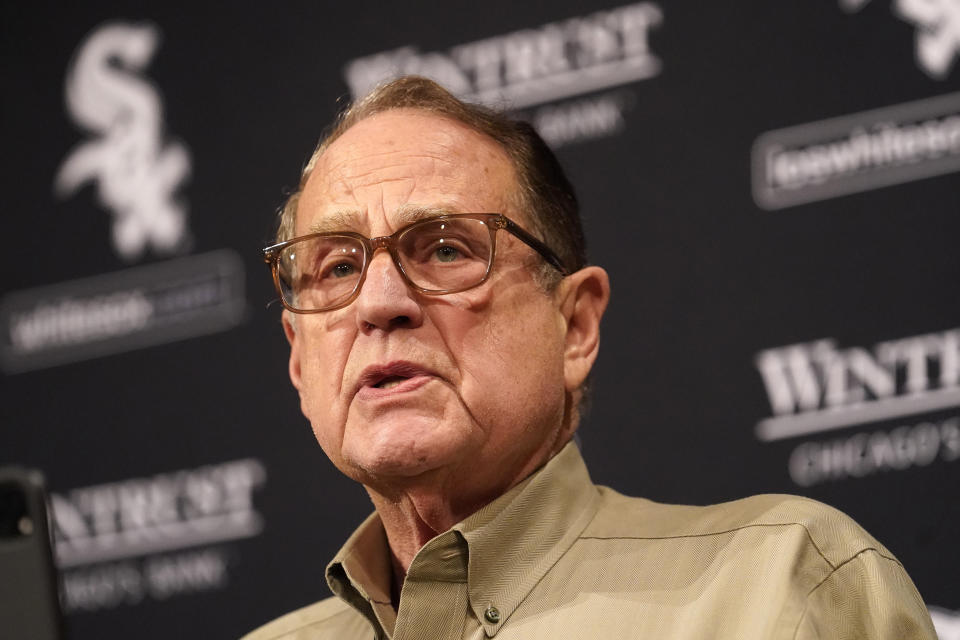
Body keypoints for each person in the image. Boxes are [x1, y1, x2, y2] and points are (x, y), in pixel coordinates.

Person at [245, 76, 936, 639]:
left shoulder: (787, 587)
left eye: (447, 248)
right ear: (300, 363)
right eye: (337, 268)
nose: (379, 302)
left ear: (573, 326)